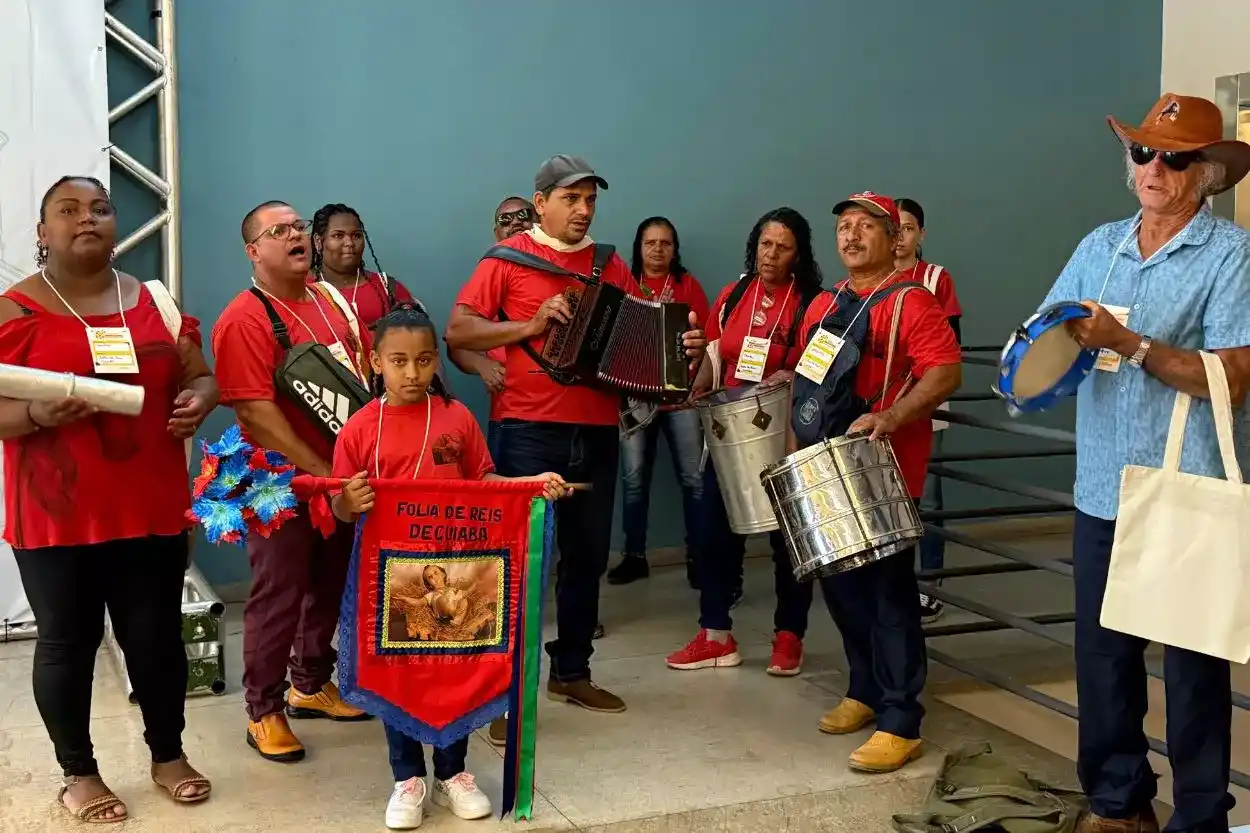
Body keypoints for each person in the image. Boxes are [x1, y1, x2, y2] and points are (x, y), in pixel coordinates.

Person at [1040, 93, 1250, 833]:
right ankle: (1117, 801)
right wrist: (1036, 354)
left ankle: (1199, 816)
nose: (1155, 167)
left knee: (1192, 669)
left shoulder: (1231, 254)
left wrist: (1132, 344)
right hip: (1102, 484)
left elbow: (1234, 372)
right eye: (1143, 152)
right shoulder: (1100, 245)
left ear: (1206, 176)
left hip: (1184, 483)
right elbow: (1052, 333)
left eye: (1176, 157)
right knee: (1102, 659)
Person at [445, 154, 705, 745]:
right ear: (541, 204)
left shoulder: (611, 266)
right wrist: (527, 327)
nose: (584, 210)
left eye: (591, 199)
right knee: (517, 565)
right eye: (572, 198)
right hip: (527, 428)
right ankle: (500, 694)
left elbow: (641, 332)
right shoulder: (505, 262)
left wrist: (682, 346)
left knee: (586, 557)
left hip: (596, 429)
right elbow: (459, 331)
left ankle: (572, 671)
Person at [0, 176, 217, 821]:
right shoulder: (16, 310)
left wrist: (201, 400)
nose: (87, 218)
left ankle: (168, 752)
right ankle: (78, 772)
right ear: (43, 233)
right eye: (67, 211)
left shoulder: (153, 301)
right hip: (56, 508)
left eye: (100, 208)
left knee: (154, 637)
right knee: (67, 640)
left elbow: (198, 374)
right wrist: (37, 411)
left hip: (147, 500)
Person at [330, 304, 568, 829]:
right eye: (398, 362)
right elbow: (337, 509)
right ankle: (407, 777)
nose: (411, 373)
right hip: (390, 580)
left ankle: (453, 772)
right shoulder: (360, 430)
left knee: (455, 667)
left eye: (422, 361)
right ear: (376, 363)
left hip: (457, 571)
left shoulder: (456, 418)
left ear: (436, 361)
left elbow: (484, 480)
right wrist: (349, 500)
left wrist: (534, 486)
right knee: (396, 674)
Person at [798, 192, 961, 773]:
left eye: (867, 226)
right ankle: (864, 690)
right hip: (827, 466)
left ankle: (901, 718)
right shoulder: (825, 302)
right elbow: (808, 380)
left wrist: (891, 417)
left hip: (883, 466)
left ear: (895, 240)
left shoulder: (913, 302)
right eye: (843, 225)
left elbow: (945, 370)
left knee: (890, 594)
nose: (851, 235)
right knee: (841, 588)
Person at [212, 200, 373, 763]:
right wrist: (324, 472)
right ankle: (264, 710)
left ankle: (310, 683)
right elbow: (257, 413)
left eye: (298, 226)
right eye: (277, 231)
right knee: (278, 594)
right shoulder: (244, 317)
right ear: (253, 251)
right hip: (275, 484)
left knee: (330, 581)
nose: (295, 235)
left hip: (337, 476)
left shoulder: (329, 301)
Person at [666, 207, 823, 677]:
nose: (771, 254)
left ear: (799, 255)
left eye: (783, 247)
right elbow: (717, 352)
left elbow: (817, 368)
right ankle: (716, 635)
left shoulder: (811, 301)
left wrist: (789, 375)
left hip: (786, 434)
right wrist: (701, 381)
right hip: (729, 434)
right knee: (715, 533)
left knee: (788, 540)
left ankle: (789, 636)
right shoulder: (734, 294)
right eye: (765, 244)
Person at [607, 216, 711, 587]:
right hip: (633, 399)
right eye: (650, 242)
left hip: (681, 402)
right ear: (638, 247)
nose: (657, 249)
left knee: (693, 479)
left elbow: (707, 339)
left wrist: (696, 381)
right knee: (633, 480)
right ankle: (635, 556)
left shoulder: (687, 285)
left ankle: (699, 556)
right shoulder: (623, 283)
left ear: (675, 249)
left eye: (665, 243)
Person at [894, 197, 963, 623]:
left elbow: (950, 340)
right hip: (884, 402)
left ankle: (929, 583)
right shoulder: (873, 278)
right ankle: (894, 582)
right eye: (893, 227)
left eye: (907, 228)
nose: (899, 236)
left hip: (925, 397)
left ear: (921, 233)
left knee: (929, 494)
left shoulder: (935, 278)